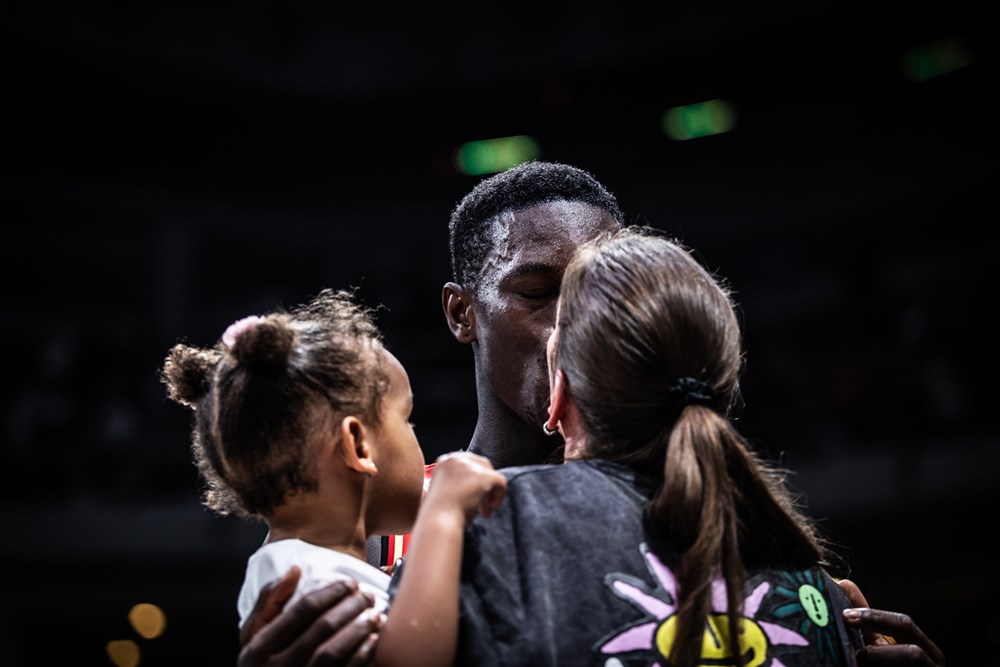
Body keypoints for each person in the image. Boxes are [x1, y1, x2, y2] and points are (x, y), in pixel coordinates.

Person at [237, 162, 945, 667]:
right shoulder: (369, 528)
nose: (566, 327)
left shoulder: (730, 522)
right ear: (461, 312)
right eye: (538, 293)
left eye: (593, 298)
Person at [159, 287, 506, 664]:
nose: (414, 436)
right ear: (357, 444)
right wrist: (445, 514)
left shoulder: (312, 565)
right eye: (406, 419)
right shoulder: (300, 575)